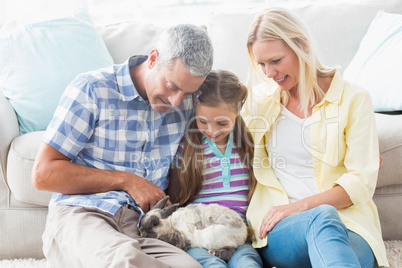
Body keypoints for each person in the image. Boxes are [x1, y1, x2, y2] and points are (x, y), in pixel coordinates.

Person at [31, 24, 213, 268]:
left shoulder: (187, 104)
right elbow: (43, 174)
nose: (175, 101)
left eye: (188, 92)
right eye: (171, 86)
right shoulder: (92, 89)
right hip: (83, 215)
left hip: (142, 227)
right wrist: (128, 180)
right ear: (153, 58)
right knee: (126, 262)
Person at [242, 7, 389, 268]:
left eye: (275, 61)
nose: (269, 73)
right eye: (261, 64)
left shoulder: (354, 99)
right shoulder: (258, 102)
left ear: (302, 45)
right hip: (284, 228)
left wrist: (300, 205)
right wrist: (293, 211)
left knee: (335, 246)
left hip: (350, 225)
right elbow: (219, 137)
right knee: (321, 219)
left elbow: (359, 183)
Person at [168, 70, 263, 268]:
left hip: (237, 236)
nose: (212, 130)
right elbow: (176, 194)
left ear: (238, 112)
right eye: (203, 121)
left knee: (248, 263)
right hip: (198, 235)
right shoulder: (187, 148)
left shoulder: (248, 145)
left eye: (222, 123)